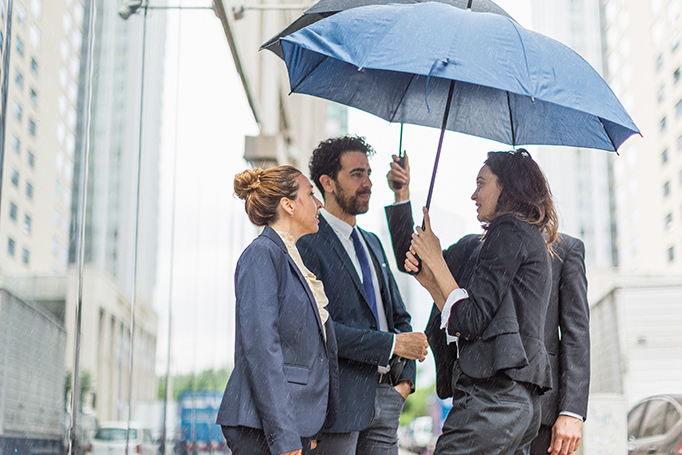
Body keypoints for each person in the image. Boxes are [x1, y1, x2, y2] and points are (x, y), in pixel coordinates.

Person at [386, 154, 590, 455]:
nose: (473, 194)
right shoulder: (473, 247)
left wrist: (570, 411)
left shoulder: (547, 243)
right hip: (497, 395)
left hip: (511, 394)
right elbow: (417, 259)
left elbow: (576, 335)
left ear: (507, 187)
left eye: (481, 183)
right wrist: (402, 196)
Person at [296, 135, 429, 455]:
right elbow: (319, 331)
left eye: (368, 173)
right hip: (338, 407)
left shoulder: (372, 243)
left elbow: (400, 316)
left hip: (387, 398)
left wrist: (404, 385)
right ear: (327, 182)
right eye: (356, 174)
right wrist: (394, 345)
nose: (367, 182)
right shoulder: (307, 245)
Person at [217, 165, 339, 455]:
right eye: (311, 194)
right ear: (288, 205)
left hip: (291, 426)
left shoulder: (291, 259)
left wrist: (309, 429)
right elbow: (262, 349)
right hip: (264, 430)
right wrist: (284, 437)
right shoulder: (262, 254)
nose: (319, 203)